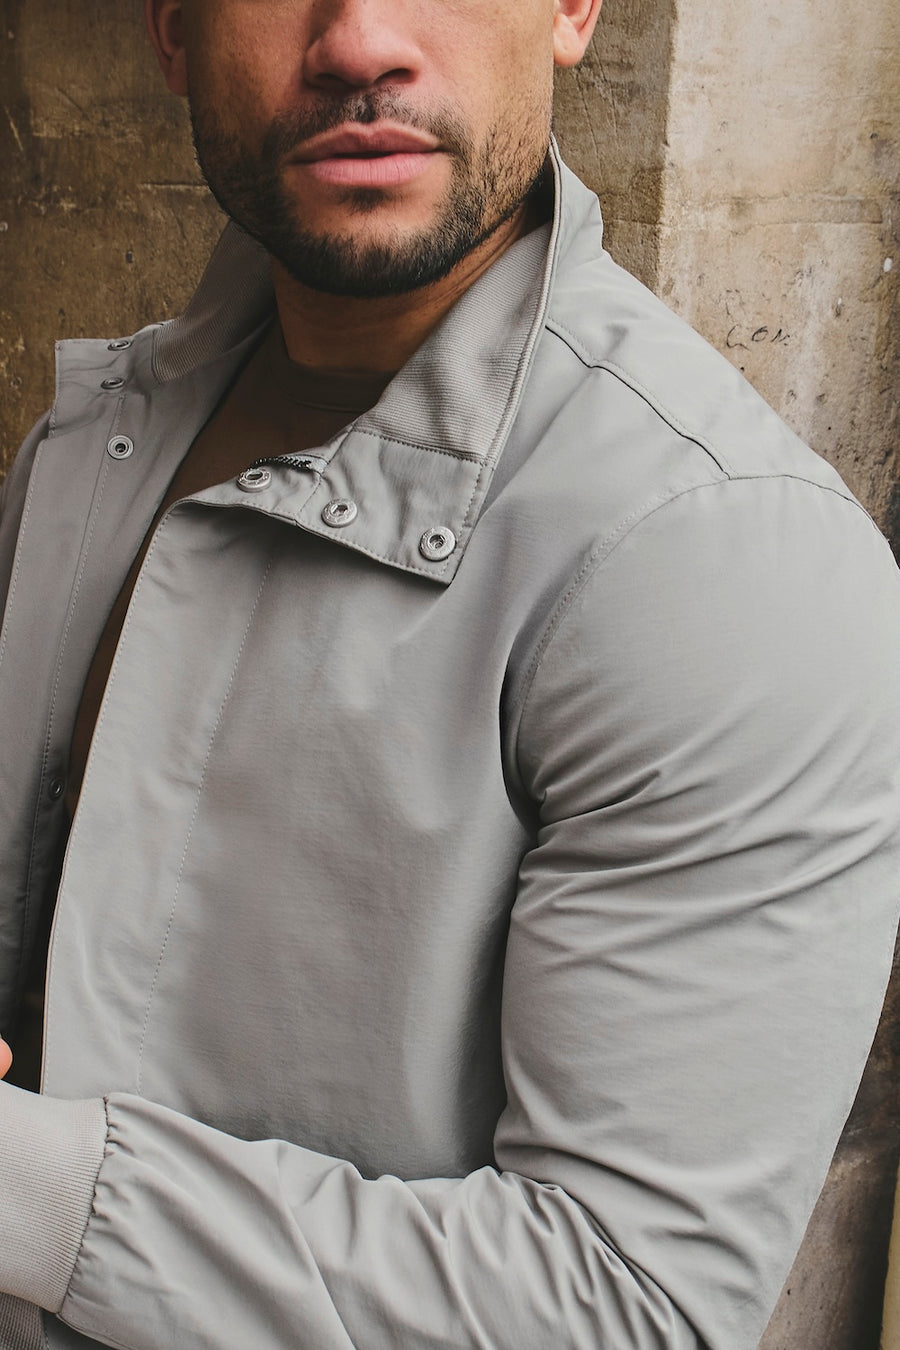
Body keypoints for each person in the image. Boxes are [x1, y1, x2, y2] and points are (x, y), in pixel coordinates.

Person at [0, 0, 898, 1345]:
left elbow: (622, 1303)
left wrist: (25, 1186)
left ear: (573, 8)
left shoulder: (723, 554)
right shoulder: (92, 442)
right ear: (172, 29)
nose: (360, 39)